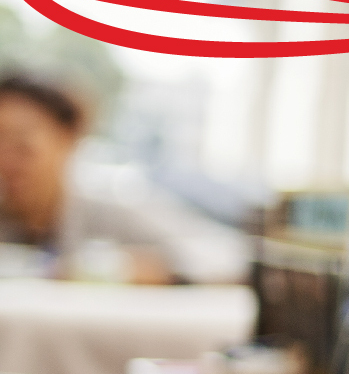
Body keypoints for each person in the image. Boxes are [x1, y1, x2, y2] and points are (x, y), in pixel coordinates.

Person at [0, 71, 239, 285]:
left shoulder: (111, 209)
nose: (6, 160)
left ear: (68, 138)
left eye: (22, 145)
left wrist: (118, 268)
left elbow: (224, 256)